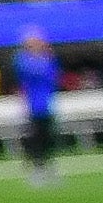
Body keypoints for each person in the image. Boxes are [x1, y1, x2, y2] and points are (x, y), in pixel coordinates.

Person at [13, 27, 64, 184]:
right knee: (36, 138)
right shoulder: (23, 60)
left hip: (48, 105)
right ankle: (37, 169)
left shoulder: (47, 59)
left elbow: (55, 75)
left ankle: (49, 168)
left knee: (49, 137)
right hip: (33, 106)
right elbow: (31, 74)